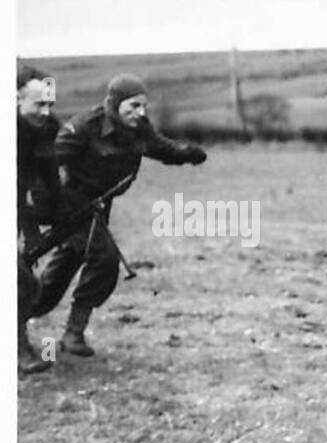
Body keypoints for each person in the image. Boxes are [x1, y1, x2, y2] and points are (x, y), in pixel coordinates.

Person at [30, 73, 206, 357]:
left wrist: (188, 153)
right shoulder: (84, 127)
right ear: (115, 103)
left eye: (144, 106)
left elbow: (161, 148)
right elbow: (46, 166)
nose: (141, 113)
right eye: (133, 106)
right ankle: (72, 333)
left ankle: (25, 316)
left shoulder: (139, 129)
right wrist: (45, 211)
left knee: (66, 265)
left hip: (97, 206)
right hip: (69, 204)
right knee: (104, 259)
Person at [16, 65, 60, 374]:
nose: (46, 112)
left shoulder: (44, 128)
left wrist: (60, 213)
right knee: (22, 283)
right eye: (38, 104)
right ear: (15, 99)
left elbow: (49, 175)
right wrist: (31, 231)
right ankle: (18, 352)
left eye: (50, 104)